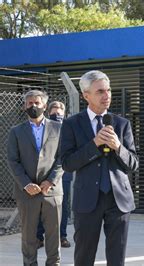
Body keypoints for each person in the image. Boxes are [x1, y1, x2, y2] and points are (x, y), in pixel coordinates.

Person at [60, 70, 139, 265]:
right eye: (100, 91)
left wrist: (118, 148)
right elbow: (68, 164)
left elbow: (134, 164)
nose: (107, 95)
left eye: (109, 90)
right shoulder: (71, 124)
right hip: (87, 201)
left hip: (118, 200)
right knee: (84, 257)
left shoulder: (122, 124)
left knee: (116, 258)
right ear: (86, 95)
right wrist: (93, 145)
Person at [7, 90, 63, 266]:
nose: (34, 106)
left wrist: (51, 180)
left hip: (52, 192)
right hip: (27, 193)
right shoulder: (16, 131)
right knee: (29, 237)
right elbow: (13, 161)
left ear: (45, 106)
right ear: (25, 106)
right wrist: (26, 184)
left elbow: (63, 158)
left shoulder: (59, 128)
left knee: (54, 236)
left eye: (37, 103)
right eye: (30, 103)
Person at [36, 101, 73, 249]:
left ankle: (62, 236)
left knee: (62, 206)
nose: (56, 114)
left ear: (64, 113)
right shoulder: (43, 128)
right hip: (44, 173)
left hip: (63, 174)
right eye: (54, 112)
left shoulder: (69, 128)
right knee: (41, 205)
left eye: (59, 112)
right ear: (48, 112)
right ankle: (39, 236)